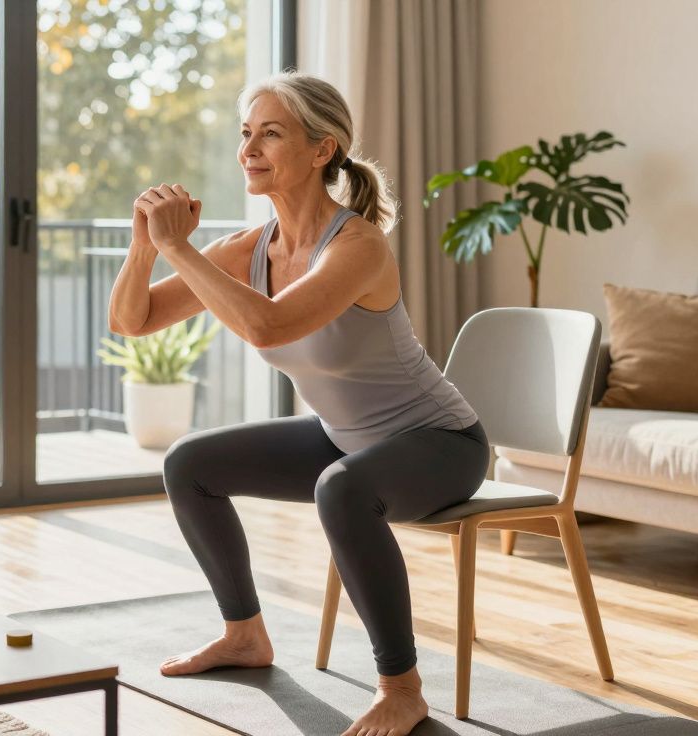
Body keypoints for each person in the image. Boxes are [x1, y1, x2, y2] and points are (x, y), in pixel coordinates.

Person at [106, 71, 489, 736]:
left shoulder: (358, 245)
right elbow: (132, 320)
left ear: (323, 150)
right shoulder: (251, 249)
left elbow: (270, 327)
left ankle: (401, 687)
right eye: (246, 133)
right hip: (346, 437)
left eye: (271, 134)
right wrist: (146, 245)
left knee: (340, 491)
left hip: (441, 442)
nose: (249, 148)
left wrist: (179, 247)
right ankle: (244, 635)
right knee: (190, 463)